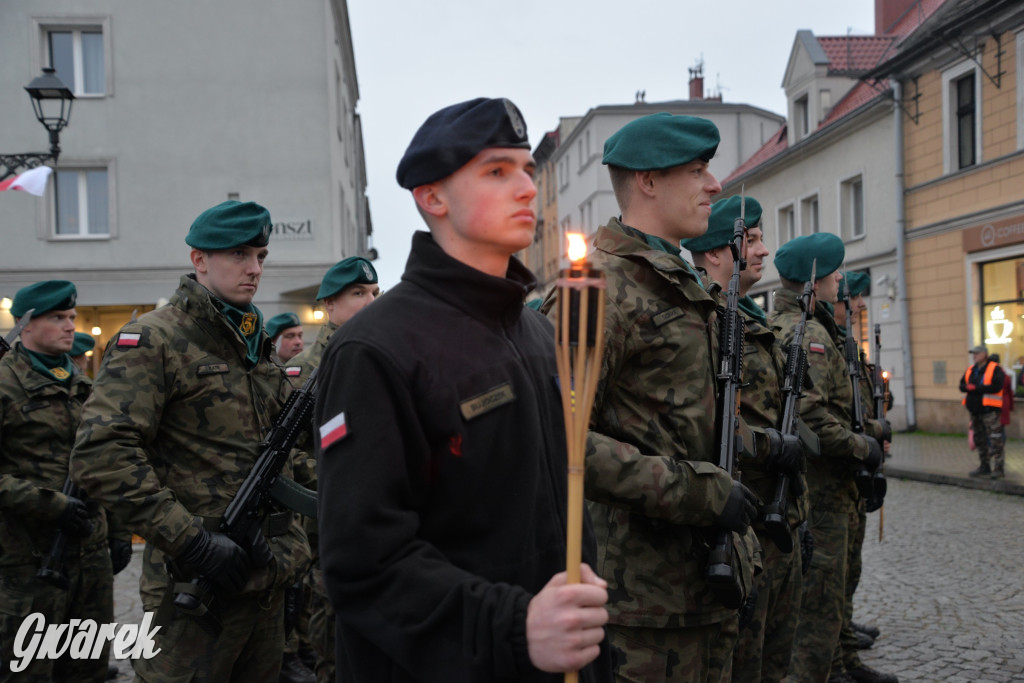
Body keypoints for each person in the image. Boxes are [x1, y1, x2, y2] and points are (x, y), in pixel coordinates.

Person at [314, 97, 612, 682]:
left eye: (527, 168)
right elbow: (363, 562)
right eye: (497, 171)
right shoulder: (376, 348)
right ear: (433, 197)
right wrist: (516, 625)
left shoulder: (534, 330)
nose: (527, 187)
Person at [554, 113, 760, 682]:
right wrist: (695, 491)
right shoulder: (598, 286)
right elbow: (558, 438)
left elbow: (689, 418)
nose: (714, 186)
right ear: (647, 181)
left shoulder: (682, 281)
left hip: (707, 583)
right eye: (697, 170)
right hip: (640, 605)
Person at [71, 200, 313, 681]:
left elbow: (285, 456)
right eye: (239, 254)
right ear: (199, 259)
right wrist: (192, 541)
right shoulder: (155, 341)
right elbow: (101, 453)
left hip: (265, 577)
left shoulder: (256, 348)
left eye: (261, 256)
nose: (254, 268)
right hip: (196, 586)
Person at [683, 196, 808, 682]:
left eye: (758, 239)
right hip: (736, 515)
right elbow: (706, 424)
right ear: (715, 253)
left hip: (772, 518)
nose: (762, 251)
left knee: (769, 659)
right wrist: (771, 445)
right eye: (750, 241)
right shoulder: (706, 316)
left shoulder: (752, 319)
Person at [770, 235, 893, 683]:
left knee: (832, 592)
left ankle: (841, 664)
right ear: (814, 279)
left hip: (830, 489)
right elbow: (810, 417)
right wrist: (866, 445)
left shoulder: (814, 327)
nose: (842, 282)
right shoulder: (809, 334)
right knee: (817, 609)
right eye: (835, 272)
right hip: (820, 490)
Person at [0, 280, 115, 682]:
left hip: (89, 556)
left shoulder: (87, 387)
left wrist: (115, 530)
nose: (69, 325)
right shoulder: (5, 384)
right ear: (25, 324)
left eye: (71, 317)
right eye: (57, 318)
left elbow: (106, 462)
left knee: (89, 670)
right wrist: (50, 503)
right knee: (28, 672)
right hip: (28, 561)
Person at [285, 255, 379, 683]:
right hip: (326, 532)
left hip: (381, 527)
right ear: (328, 306)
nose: (370, 301)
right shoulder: (303, 371)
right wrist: (341, 479)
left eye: (374, 293)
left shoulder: (381, 360)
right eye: (358, 294)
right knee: (331, 643)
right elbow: (288, 453)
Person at [830, 271, 893, 682]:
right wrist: (867, 439)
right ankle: (836, 655)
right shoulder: (826, 341)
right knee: (832, 576)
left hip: (852, 474)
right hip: (833, 476)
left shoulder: (846, 342)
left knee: (848, 567)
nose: (859, 308)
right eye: (853, 301)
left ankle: (844, 641)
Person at [960, 344, 1006, 479]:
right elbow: (961, 385)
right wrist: (967, 387)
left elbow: (997, 386)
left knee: (996, 439)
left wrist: (976, 388)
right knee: (979, 439)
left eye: (977, 353)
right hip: (975, 411)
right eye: (973, 353)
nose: (974, 356)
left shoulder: (995, 369)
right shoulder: (970, 370)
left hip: (990, 411)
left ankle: (998, 468)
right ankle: (984, 466)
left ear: (984, 355)